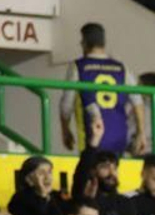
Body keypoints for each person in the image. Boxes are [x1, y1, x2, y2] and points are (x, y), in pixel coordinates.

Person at [61, 23, 145, 154]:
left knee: (92, 170)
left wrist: (65, 129)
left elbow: (66, 104)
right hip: (119, 136)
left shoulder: (78, 66)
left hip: (92, 136)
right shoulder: (121, 67)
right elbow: (138, 101)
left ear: (84, 42)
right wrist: (141, 132)